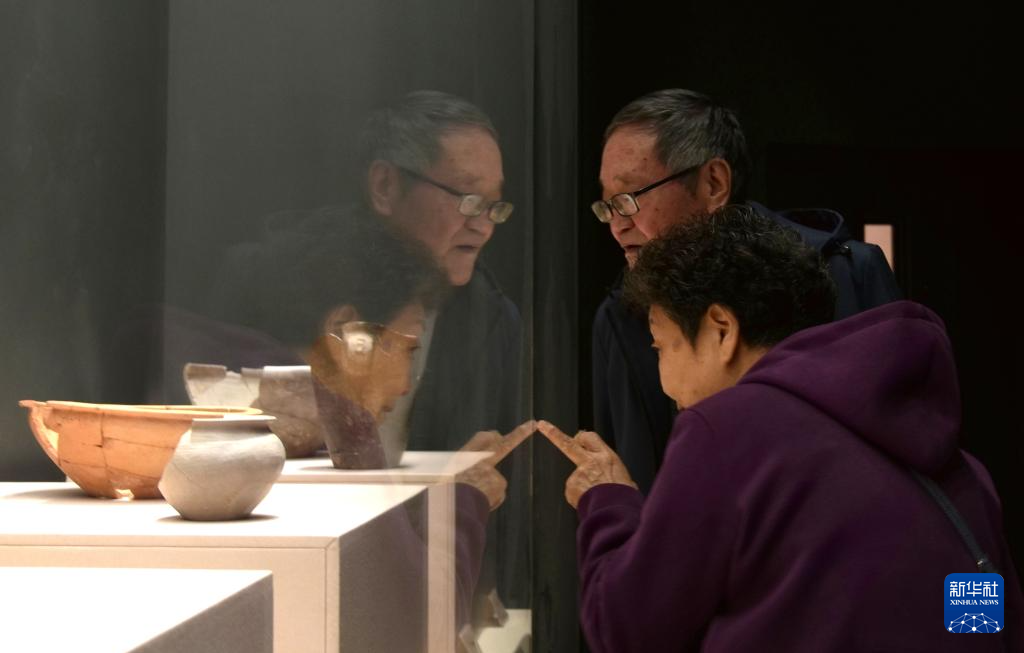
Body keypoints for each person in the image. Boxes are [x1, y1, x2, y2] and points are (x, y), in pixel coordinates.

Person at [541, 205, 1023, 652]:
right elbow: (983, 619)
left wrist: (607, 500)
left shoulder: (726, 429)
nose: (665, 382)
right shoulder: (947, 451)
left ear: (721, 329)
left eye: (660, 346)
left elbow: (627, 627)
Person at [591, 88, 901, 493]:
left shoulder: (845, 273)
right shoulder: (619, 316)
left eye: (629, 198)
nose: (617, 226)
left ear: (714, 183)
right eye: (607, 205)